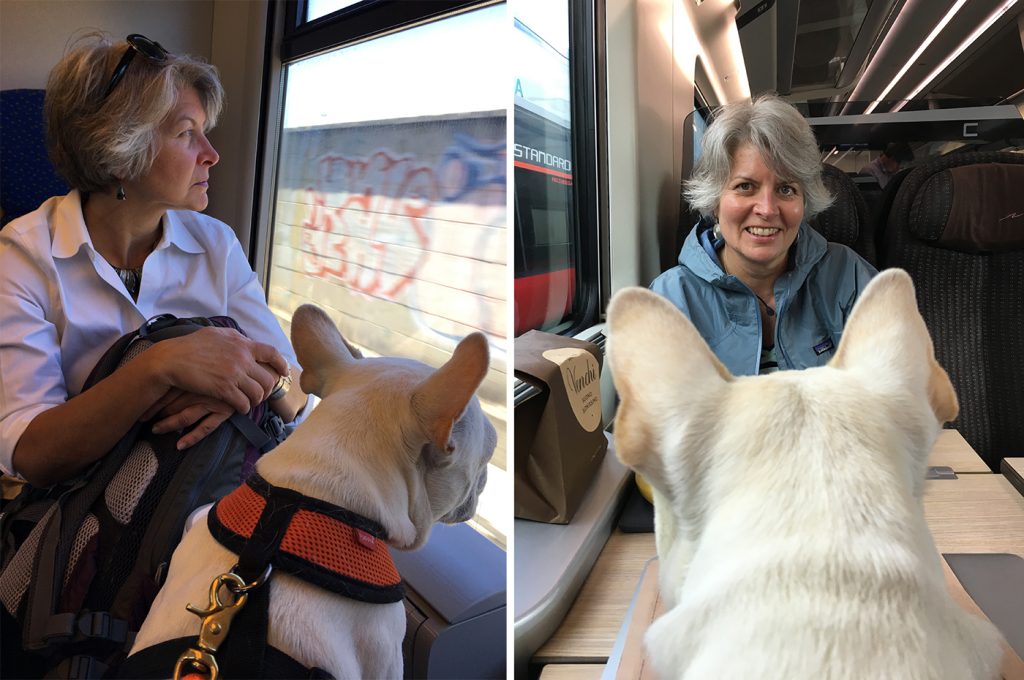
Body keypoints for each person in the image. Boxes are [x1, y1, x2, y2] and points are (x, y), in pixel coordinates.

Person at [0, 33, 308, 488]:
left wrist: (245, 391)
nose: (212, 154)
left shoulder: (216, 244)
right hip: (84, 515)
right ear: (119, 149)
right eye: (187, 134)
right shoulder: (24, 256)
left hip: (204, 493)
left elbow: (297, 393)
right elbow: (30, 452)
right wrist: (158, 367)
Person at [651, 93, 877, 377]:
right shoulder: (673, 299)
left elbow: (894, 390)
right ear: (715, 200)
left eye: (786, 189)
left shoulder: (848, 276)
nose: (768, 209)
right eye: (746, 186)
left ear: (804, 202)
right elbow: (658, 416)